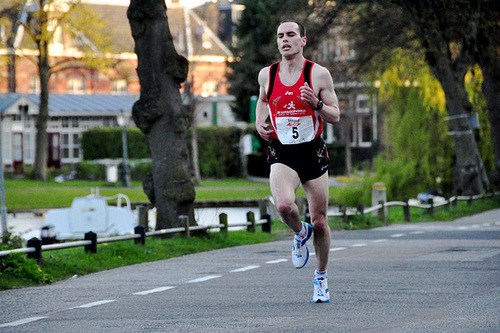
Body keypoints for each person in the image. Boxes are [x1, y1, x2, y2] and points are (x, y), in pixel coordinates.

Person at [255, 20, 340, 303]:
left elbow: (335, 115)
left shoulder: (318, 74)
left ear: (303, 40)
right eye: (280, 35)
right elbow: (263, 100)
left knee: (319, 221)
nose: (285, 40)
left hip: (312, 152)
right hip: (283, 151)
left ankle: (321, 277)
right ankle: (298, 231)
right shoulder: (268, 74)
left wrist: (315, 104)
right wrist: (259, 122)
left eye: (291, 34)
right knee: (283, 205)